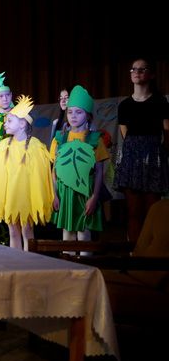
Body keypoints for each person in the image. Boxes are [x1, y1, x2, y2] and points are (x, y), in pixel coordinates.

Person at [0, 95, 54, 250]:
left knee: (27, 230)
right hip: (11, 195)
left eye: (9, 121)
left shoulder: (36, 147)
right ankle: (16, 260)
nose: (5, 124)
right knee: (13, 231)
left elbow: (39, 177)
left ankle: (29, 260)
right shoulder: (2, 146)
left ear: (22, 124)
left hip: (26, 196)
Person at [114, 57, 169, 242]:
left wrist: (159, 154)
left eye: (142, 69)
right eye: (133, 69)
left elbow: (167, 132)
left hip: (153, 158)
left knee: (152, 211)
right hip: (132, 159)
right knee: (133, 212)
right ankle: (135, 252)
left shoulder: (160, 101)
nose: (136, 72)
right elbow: (125, 135)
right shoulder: (125, 105)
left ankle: (153, 252)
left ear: (151, 74)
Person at [50, 85, 108, 246]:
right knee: (67, 233)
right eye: (70, 112)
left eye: (78, 112)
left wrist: (94, 197)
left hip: (85, 193)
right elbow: (54, 169)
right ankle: (68, 262)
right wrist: (54, 194)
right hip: (64, 193)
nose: (73, 116)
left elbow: (99, 171)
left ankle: (84, 262)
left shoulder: (95, 139)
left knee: (84, 233)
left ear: (87, 115)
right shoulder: (59, 139)